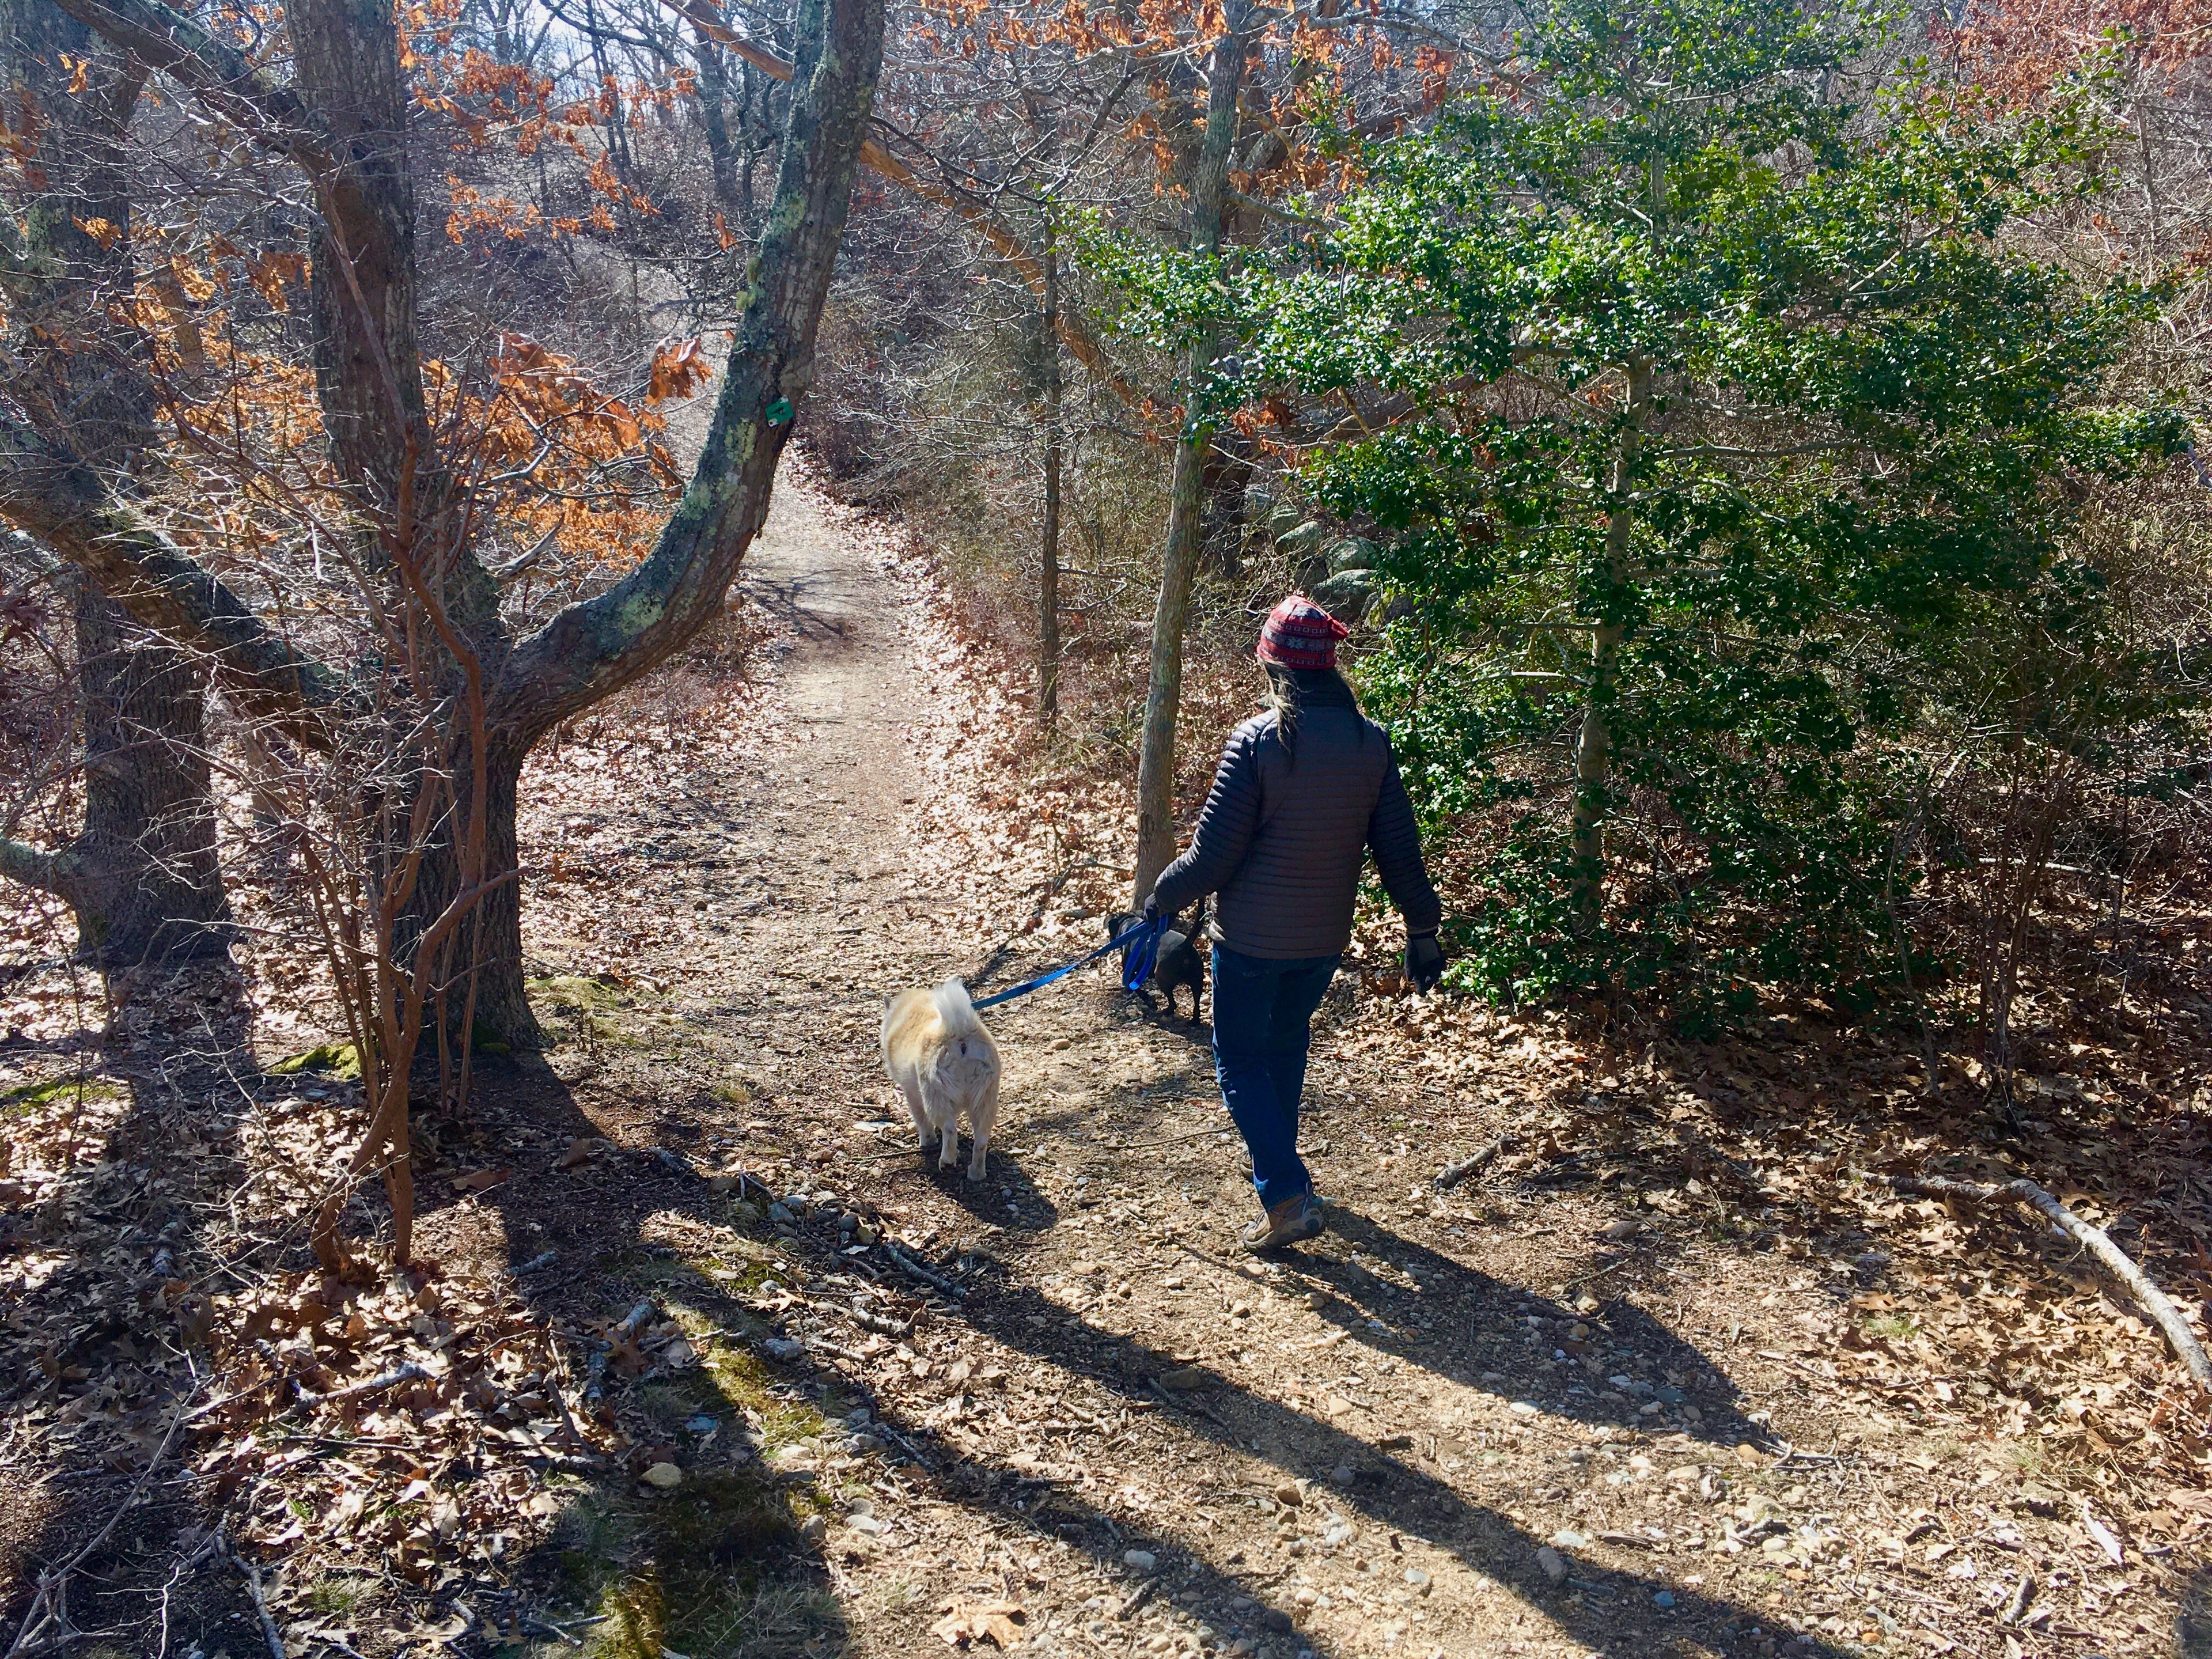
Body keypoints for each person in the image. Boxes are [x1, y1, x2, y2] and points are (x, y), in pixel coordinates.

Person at [1142, 593, 1445, 1253]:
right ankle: (1283, 1177)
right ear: (1330, 667)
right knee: (1283, 1048)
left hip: (1251, 941)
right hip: (1321, 943)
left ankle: (1284, 1193)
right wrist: (1423, 932)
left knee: (1240, 1060)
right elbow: (1401, 853)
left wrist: (1162, 897)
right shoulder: (1371, 744)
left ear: (1273, 666)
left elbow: (1213, 856)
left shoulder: (1258, 741)